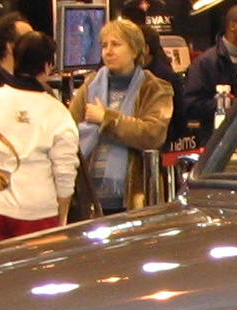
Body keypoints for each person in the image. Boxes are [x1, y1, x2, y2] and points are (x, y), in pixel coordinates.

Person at [0, 31, 78, 245]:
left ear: (15, 59)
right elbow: (65, 170)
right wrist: (62, 214)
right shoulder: (57, 112)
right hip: (38, 212)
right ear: (48, 65)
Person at [68, 19, 175, 212]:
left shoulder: (155, 88)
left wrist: (106, 119)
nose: (108, 51)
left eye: (116, 44)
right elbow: (68, 130)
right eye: (104, 46)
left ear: (135, 51)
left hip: (131, 196)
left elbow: (153, 134)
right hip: (87, 194)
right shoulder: (90, 85)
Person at [179, 0, 237, 139]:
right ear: (233, 26)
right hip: (220, 140)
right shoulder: (206, 63)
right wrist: (228, 104)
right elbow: (191, 105)